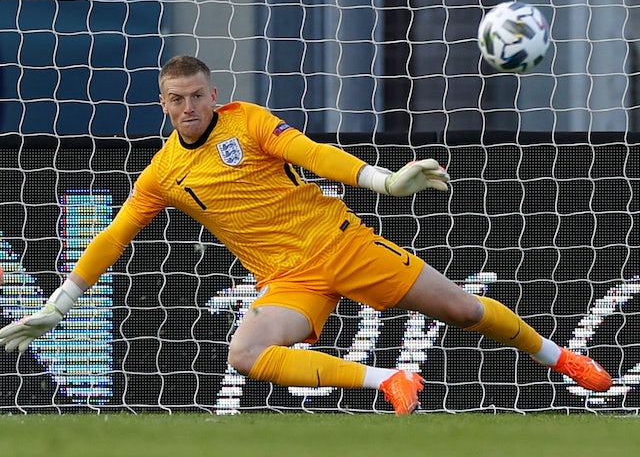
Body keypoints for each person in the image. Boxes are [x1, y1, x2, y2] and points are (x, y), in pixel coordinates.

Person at [0, 55, 612, 414]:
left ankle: (563, 360)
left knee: (463, 309)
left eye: (196, 96)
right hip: (288, 280)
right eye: (176, 99)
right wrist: (60, 306)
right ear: (164, 105)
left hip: (340, 244)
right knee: (245, 354)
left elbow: (314, 152)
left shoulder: (250, 123)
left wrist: (384, 182)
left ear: (215, 95)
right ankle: (390, 380)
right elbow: (112, 237)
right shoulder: (164, 173)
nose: (188, 106)